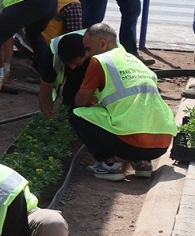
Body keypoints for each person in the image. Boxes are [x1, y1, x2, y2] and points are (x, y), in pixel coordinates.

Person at [70, 29, 178, 181]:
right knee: (133, 113)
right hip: (162, 144)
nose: (87, 55)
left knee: (77, 115)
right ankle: (143, 163)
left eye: (88, 49)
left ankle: (109, 165)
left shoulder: (100, 61)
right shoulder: (135, 61)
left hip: (131, 144)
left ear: (102, 44)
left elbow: (81, 102)